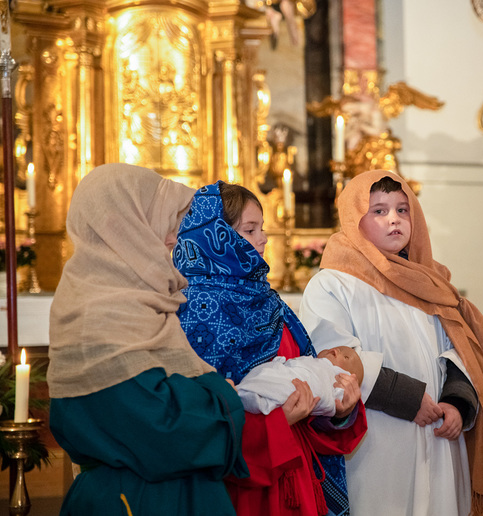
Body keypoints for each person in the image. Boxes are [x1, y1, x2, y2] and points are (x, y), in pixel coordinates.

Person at [299, 170, 483, 516]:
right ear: (354, 220)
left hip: (440, 435)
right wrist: (408, 399)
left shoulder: (430, 282)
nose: (394, 219)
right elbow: (335, 359)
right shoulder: (332, 284)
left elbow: (460, 350)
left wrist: (456, 403)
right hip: (380, 439)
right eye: (379, 211)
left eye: (402, 210)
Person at [47, 163, 248, 515]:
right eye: (159, 221)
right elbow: (165, 429)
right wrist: (222, 395)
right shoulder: (99, 316)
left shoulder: (141, 304)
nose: (172, 238)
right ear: (122, 228)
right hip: (133, 501)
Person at [173, 181, 366, 516]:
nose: (263, 239)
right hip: (242, 490)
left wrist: (340, 410)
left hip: (298, 476)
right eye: (250, 230)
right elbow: (193, 424)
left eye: (261, 228)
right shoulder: (192, 311)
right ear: (215, 236)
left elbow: (307, 379)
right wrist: (276, 423)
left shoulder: (270, 302)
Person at [238, 346, 364, 417]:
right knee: (271, 387)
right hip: (291, 393)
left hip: (294, 389)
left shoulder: (330, 375)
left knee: (274, 387)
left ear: (333, 352)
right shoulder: (335, 386)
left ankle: (243, 393)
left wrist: (342, 413)